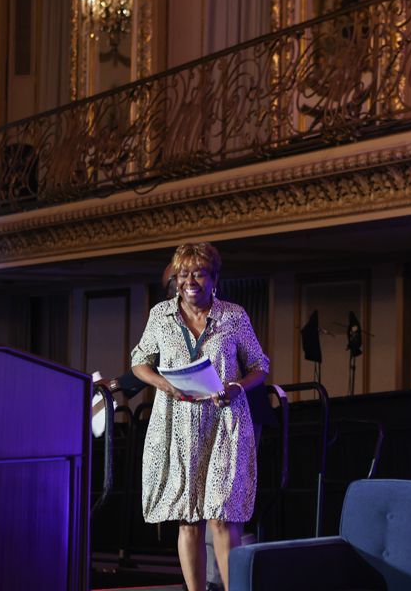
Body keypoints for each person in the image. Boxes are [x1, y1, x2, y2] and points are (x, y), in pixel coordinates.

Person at [131, 242, 269, 591]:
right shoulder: (160, 316)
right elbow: (138, 361)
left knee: (222, 517)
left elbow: (260, 365)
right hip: (175, 425)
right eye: (183, 274)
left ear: (214, 277)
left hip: (225, 424)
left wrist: (238, 386)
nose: (189, 280)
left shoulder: (234, 316)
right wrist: (163, 384)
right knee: (188, 520)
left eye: (198, 273)